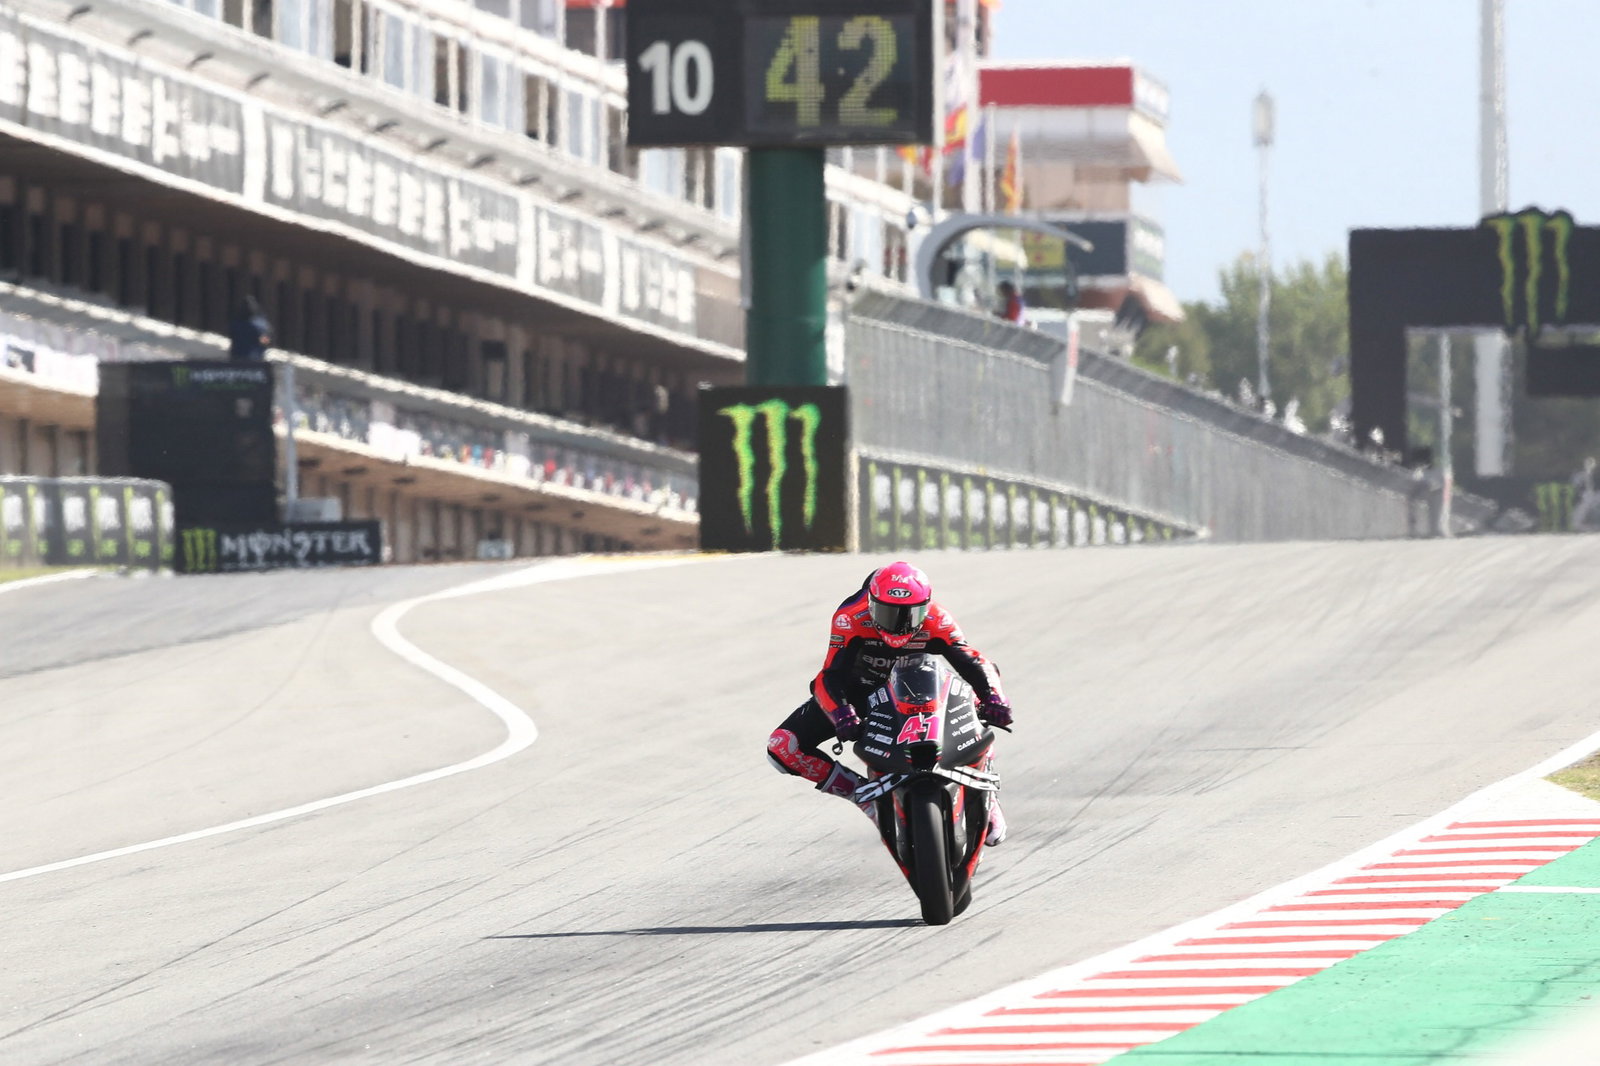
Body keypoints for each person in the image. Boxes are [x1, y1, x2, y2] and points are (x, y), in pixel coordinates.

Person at [765, 561, 1014, 845]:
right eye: (888, 613)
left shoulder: (938, 619)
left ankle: (986, 794)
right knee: (782, 746)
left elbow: (974, 661)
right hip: (863, 693)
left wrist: (996, 698)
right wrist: (841, 714)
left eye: (910, 614)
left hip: (923, 689)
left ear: (927, 605)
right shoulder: (850, 618)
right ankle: (862, 795)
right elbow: (829, 677)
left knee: (981, 698)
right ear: (871, 603)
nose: (899, 624)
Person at [228, 295, 273, 361]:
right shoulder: (260, 325)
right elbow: (265, 341)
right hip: (254, 357)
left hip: (238, 357)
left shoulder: (236, 324)